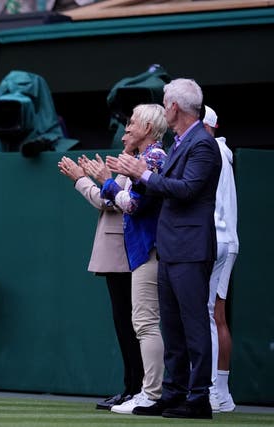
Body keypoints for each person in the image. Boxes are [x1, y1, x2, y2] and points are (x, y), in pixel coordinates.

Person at [109, 78, 221, 419]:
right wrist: (138, 175)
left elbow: (186, 190)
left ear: (173, 107)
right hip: (171, 245)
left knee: (193, 323)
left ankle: (198, 396)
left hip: (189, 246)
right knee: (171, 326)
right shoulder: (179, 143)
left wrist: (143, 174)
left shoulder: (202, 144)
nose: (164, 107)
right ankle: (174, 392)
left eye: (166, 103)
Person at [57, 155, 143, 411]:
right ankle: (131, 387)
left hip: (126, 252)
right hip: (120, 252)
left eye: (131, 128)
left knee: (131, 324)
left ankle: (138, 388)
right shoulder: (129, 161)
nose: (126, 133)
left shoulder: (142, 161)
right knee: (124, 323)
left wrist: (81, 179)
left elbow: (109, 201)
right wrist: (98, 177)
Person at [97, 104, 168, 414]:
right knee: (144, 324)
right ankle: (149, 392)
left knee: (146, 324)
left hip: (151, 250)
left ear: (148, 129)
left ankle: (150, 394)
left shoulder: (153, 157)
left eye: (133, 122)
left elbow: (131, 205)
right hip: (144, 251)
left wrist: (108, 182)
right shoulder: (144, 158)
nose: (127, 127)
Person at [202, 105, 239, 413]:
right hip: (220, 240)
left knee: (212, 315)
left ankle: (217, 390)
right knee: (214, 315)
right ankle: (219, 392)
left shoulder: (212, 151)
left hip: (218, 240)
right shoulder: (217, 151)